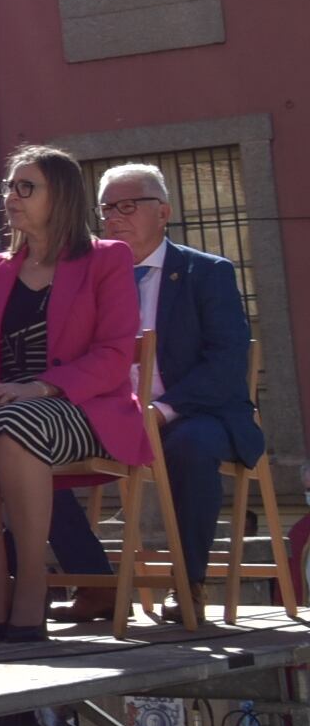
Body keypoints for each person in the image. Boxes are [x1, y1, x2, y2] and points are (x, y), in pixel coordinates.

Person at [0, 146, 147, 646]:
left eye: (25, 187)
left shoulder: (106, 259)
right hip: (1, 401)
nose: (11, 196)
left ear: (62, 196)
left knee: (18, 429)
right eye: (9, 186)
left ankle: (32, 582)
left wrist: (37, 387)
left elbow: (116, 354)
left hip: (82, 405)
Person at [97, 161, 263, 620]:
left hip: (198, 413)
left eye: (128, 205)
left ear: (164, 212)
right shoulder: (93, 280)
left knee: (190, 445)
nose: (115, 217)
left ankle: (187, 581)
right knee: (29, 442)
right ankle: (92, 580)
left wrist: (164, 409)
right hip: (115, 413)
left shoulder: (205, 273)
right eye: (107, 208)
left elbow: (227, 361)